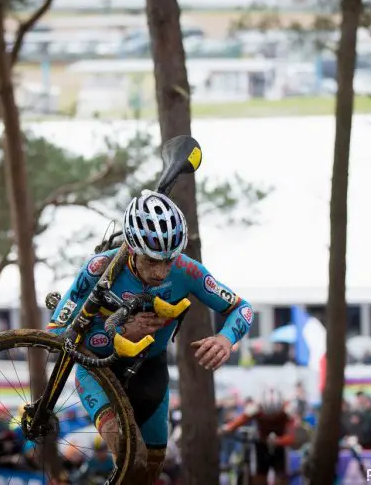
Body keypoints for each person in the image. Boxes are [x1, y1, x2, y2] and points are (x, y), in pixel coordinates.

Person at [48, 190, 254, 482]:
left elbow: (242, 309)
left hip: (150, 372)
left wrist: (225, 339)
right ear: (132, 249)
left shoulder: (186, 270)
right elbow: (55, 334)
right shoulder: (99, 268)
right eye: (152, 261)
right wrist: (118, 331)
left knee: (150, 473)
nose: (161, 271)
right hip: (99, 369)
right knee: (131, 456)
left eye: (168, 260)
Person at [218, 388, 297, 485]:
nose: (271, 418)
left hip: (280, 445)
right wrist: (227, 429)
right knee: (258, 475)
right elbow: (240, 420)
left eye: (275, 415)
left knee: (282, 477)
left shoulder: (288, 411)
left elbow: (291, 436)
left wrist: (278, 441)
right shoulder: (254, 409)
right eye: (268, 416)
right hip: (260, 443)